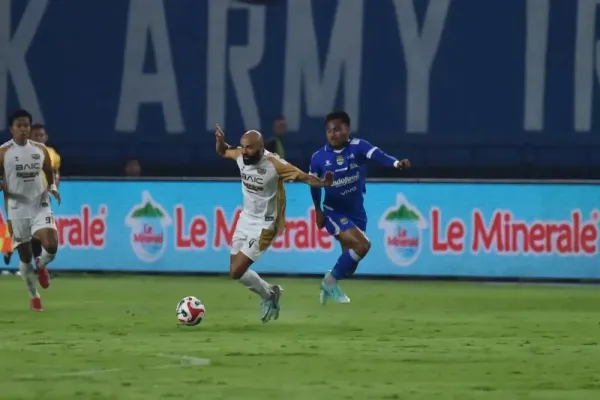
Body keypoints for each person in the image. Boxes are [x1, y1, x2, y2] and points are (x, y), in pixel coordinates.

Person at [215, 125, 333, 323]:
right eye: (243, 147)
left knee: (237, 271)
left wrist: (323, 183)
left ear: (261, 148)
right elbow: (223, 151)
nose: (245, 151)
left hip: (265, 225)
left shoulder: (274, 164)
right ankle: (271, 292)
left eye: (249, 148)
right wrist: (220, 142)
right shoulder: (240, 156)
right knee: (235, 272)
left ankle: (268, 295)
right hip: (245, 219)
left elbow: (304, 177)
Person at [309, 111, 410, 304]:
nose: (333, 134)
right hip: (333, 212)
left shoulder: (358, 147)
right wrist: (318, 210)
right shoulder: (318, 158)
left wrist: (397, 163)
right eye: (329, 131)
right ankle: (329, 282)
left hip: (356, 213)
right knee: (363, 245)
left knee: (349, 267)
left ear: (348, 129)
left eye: (337, 129)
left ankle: (332, 279)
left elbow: (379, 155)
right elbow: (313, 184)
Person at [0, 110, 61, 311]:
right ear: (11, 128)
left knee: (51, 245)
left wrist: (52, 188)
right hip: (17, 209)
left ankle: (41, 264)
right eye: (19, 125)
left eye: (26, 125)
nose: (23, 129)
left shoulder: (40, 149)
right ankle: (34, 296)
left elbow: (48, 170)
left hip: (39, 204)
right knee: (24, 258)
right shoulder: (3, 152)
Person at [29, 124, 61, 261]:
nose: (39, 138)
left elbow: (56, 172)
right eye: (36, 135)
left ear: (46, 137)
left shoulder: (52, 154)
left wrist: (54, 187)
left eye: (41, 135)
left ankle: (38, 261)